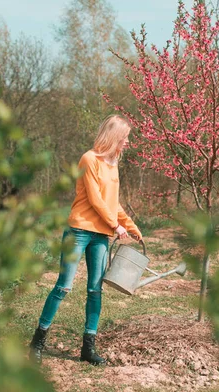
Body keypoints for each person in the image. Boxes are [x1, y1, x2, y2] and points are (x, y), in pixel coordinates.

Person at [29, 114, 142, 366]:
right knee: (63, 286)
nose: (126, 143)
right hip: (79, 231)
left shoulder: (113, 165)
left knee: (95, 290)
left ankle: (87, 348)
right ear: (114, 137)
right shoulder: (89, 159)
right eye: (124, 138)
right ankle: (37, 342)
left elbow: (112, 204)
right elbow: (94, 199)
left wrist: (131, 226)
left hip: (101, 236)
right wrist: (116, 226)